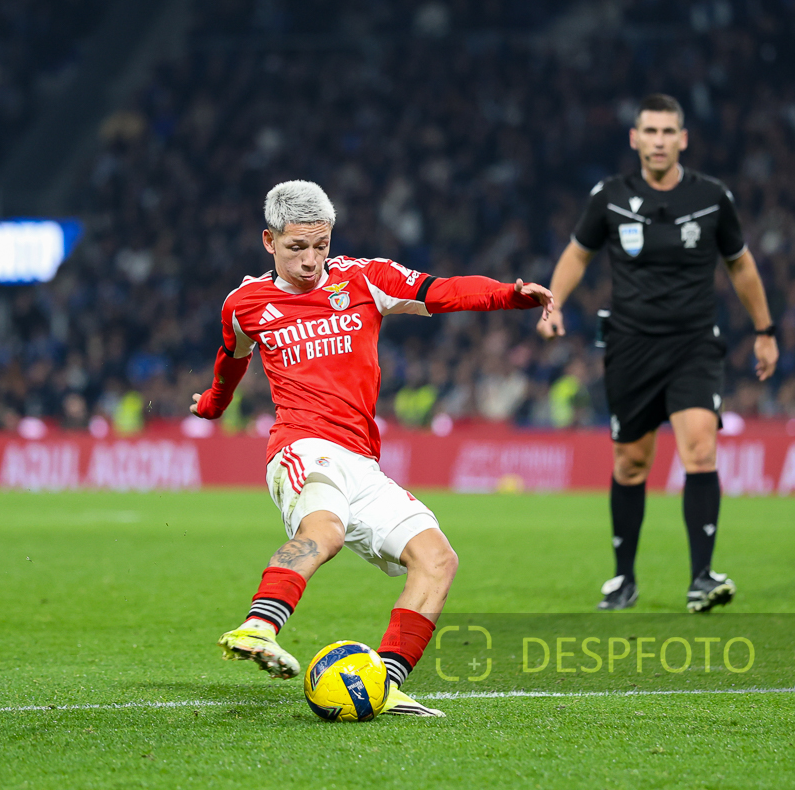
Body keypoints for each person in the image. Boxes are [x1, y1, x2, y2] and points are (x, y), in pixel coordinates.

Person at [192, 180, 551, 716]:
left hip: (361, 461)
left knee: (437, 560)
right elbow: (230, 359)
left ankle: (384, 681)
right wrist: (212, 405)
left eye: (321, 245)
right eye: (296, 247)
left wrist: (509, 295)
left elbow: (442, 291)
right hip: (301, 447)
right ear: (269, 240)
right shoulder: (245, 304)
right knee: (325, 532)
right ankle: (258, 627)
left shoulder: (365, 278)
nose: (311, 259)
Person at [537, 94, 779, 612]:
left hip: (695, 344)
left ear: (683, 139)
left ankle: (702, 578)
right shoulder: (610, 197)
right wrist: (553, 304)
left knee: (701, 448)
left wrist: (765, 329)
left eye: (669, 132)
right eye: (650, 131)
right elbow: (577, 254)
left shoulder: (712, 197)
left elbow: (741, 264)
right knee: (631, 463)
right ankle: (623, 579)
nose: (660, 141)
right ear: (635, 138)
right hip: (630, 346)